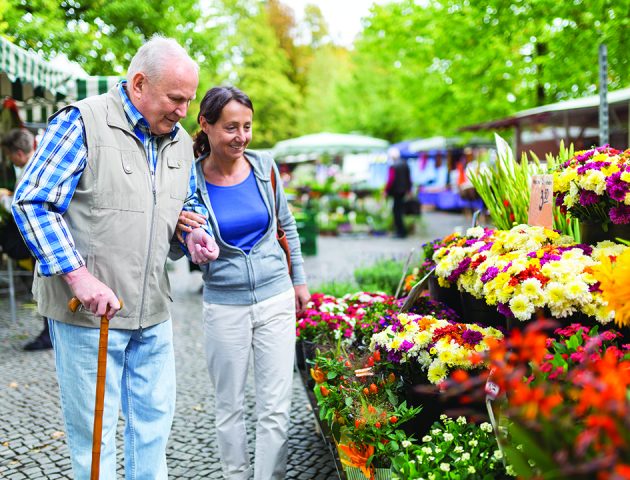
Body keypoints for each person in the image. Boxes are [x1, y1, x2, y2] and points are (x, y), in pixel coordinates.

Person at [12, 36, 219, 479]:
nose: (184, 111)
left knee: (153, 425)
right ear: (140, 83)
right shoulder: (82, 122)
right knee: (95, 433)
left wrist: (195, 234)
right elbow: (31, 202)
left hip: (153, 308)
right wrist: (78, 276)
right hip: (89, 314)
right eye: (175, 99)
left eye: (189, 99)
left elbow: (185, 208)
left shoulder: (181, 143)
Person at [177, 86, 310, 480]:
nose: (241, 136)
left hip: (276, 298)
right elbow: (181, 240)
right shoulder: (189, 180)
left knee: (275, 405)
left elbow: (287, 226)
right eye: (231, 127)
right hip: (224, 305)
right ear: (206, 124)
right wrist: (188, 241)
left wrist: (298, 281)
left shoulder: (264, 167)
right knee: (229, 405)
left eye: (247, 126)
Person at [0, 128, 53, 351]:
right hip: (41, 239)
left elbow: (22, 208)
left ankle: (49, 334)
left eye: (9, 155)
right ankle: (48, 332)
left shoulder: (31, 170)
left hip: (38, 240)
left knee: (47, 287)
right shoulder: (41, 165)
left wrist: (5, 199)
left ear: (18, 153)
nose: (10, 160)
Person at [384, 151, 412, 238]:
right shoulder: (405, 164)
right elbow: (409, 179)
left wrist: (386, 190)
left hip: (395, 191)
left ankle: (400, 232)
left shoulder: (393, 166)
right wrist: (409, 190)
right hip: (403, 191)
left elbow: (390, 180)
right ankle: (402, 231)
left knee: (396, 212)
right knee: (400, 211)